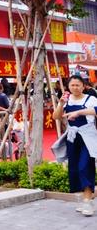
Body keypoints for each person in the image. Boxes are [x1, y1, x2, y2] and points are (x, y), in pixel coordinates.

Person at [52, 75, 97, 216]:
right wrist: (61, 104)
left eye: (78, 85)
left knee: (85, 166)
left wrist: (78, 112)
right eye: (72, 85)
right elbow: (56, 117)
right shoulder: (67, 100)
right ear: (68, 87)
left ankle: (88, 202)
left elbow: (95, 111)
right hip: (72, 138)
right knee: (75, 169)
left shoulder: (91, 99)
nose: (75, 87)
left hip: (88, 137)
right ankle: (86, 199)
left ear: (83, 86)